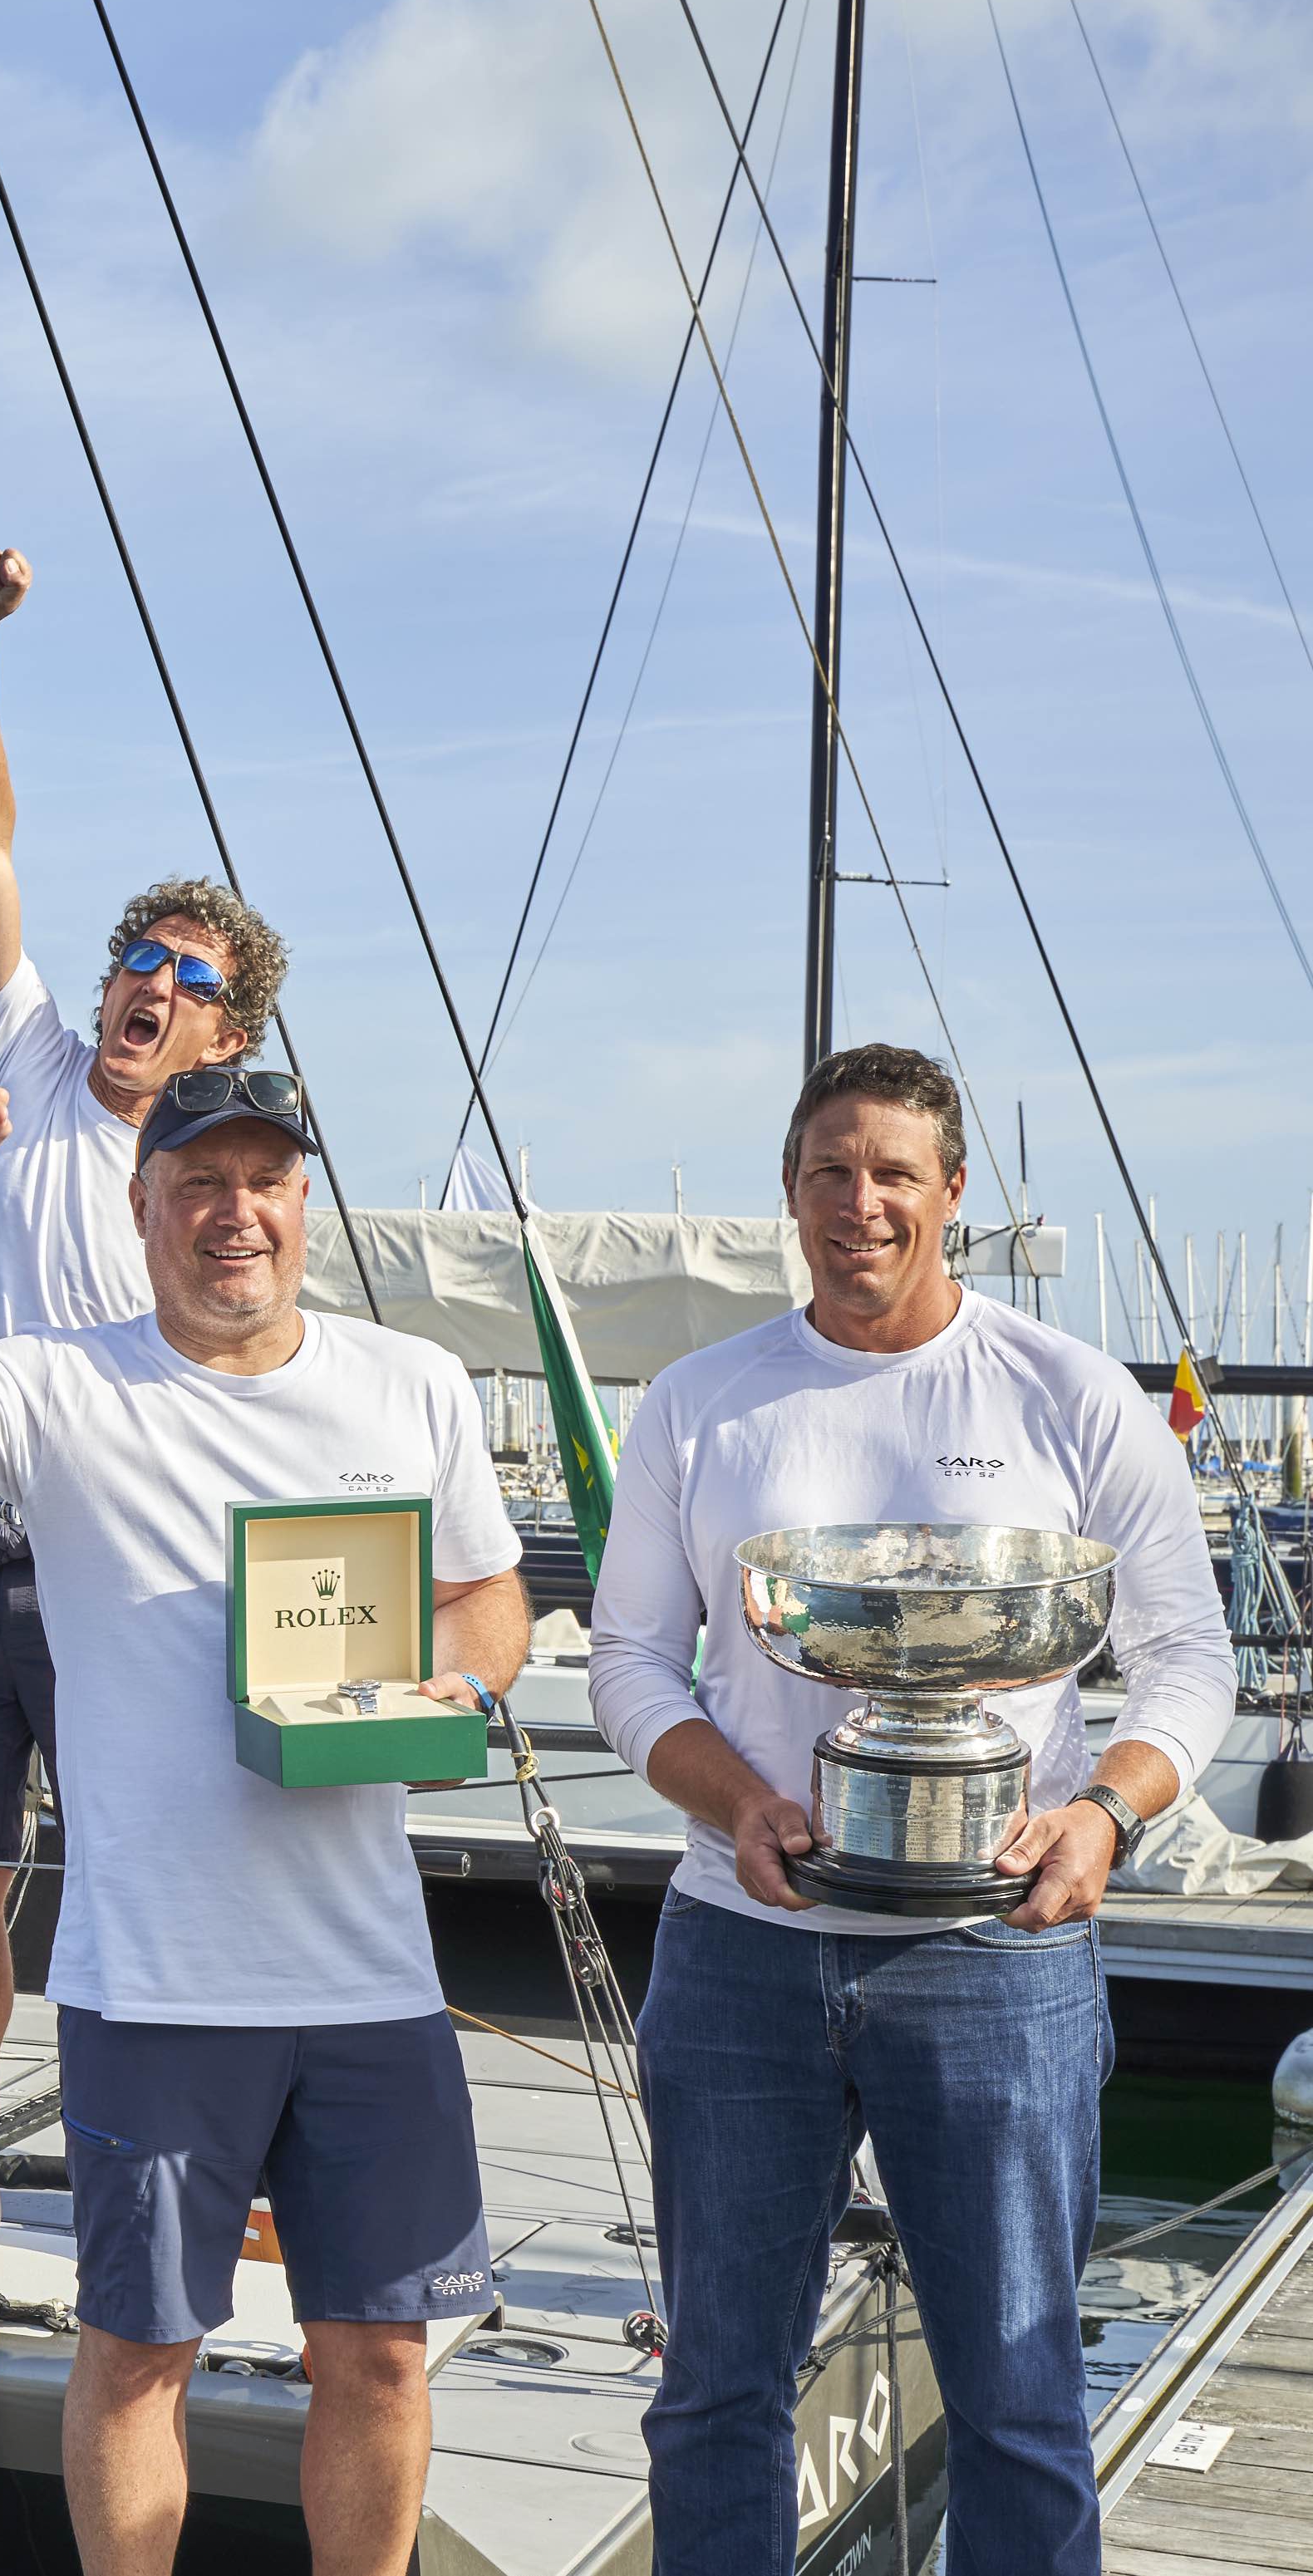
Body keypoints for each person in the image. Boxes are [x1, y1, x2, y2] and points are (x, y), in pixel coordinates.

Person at [0, 1067, 529, 2576]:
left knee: (382, 2353)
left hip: (371, 1979)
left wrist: (455, 1682)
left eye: (264, 1178)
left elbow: (488, 1589)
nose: (234, 1212)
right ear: (140, 1209)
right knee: (138, 2353)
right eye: (198, 1182)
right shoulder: (60, 1383)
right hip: (153, 1979)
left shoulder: (415, 1383)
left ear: (304, 1202)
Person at [591, 1044, 1228, 2576]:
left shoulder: (1072, 1394)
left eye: (893, 1172)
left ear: (953, 1191)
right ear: (792, 1190)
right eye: (830, 1169)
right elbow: (625, 1658)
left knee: (1019, 2401)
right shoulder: (703, 1400)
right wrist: (740, 1799)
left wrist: (1106, 1819)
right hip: (743, 1943)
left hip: (1000, 1953)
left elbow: (1187, 1657)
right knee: (714, 2391)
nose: (860, 1202)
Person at [0, 543, 295, 2288]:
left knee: (163, 1878)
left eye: (181, 974)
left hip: (126, 1554)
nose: (145, 983)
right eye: (135, 953)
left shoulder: (214, 1180)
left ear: (226, 1027)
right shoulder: (24, 1055)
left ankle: (208, 2166)